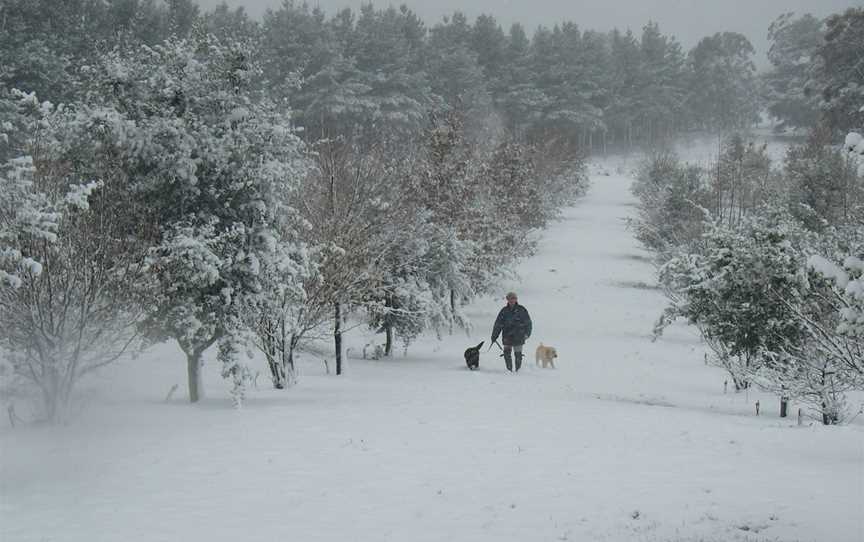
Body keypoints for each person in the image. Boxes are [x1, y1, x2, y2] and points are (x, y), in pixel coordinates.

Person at [491, 291, 532, 372]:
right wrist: (494, 336)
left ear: (516, 299)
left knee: (518, 354)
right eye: (510, 298)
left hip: (519, 335)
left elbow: (528, 323)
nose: (512, 300)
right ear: (507, 300)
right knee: (507, 353)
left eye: (513, 298)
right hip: (507, 335)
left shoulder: (522, 309)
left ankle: (518, 370)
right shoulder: (504, 311)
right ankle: (509, 370)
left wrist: (527, 333)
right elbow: (498, 324)